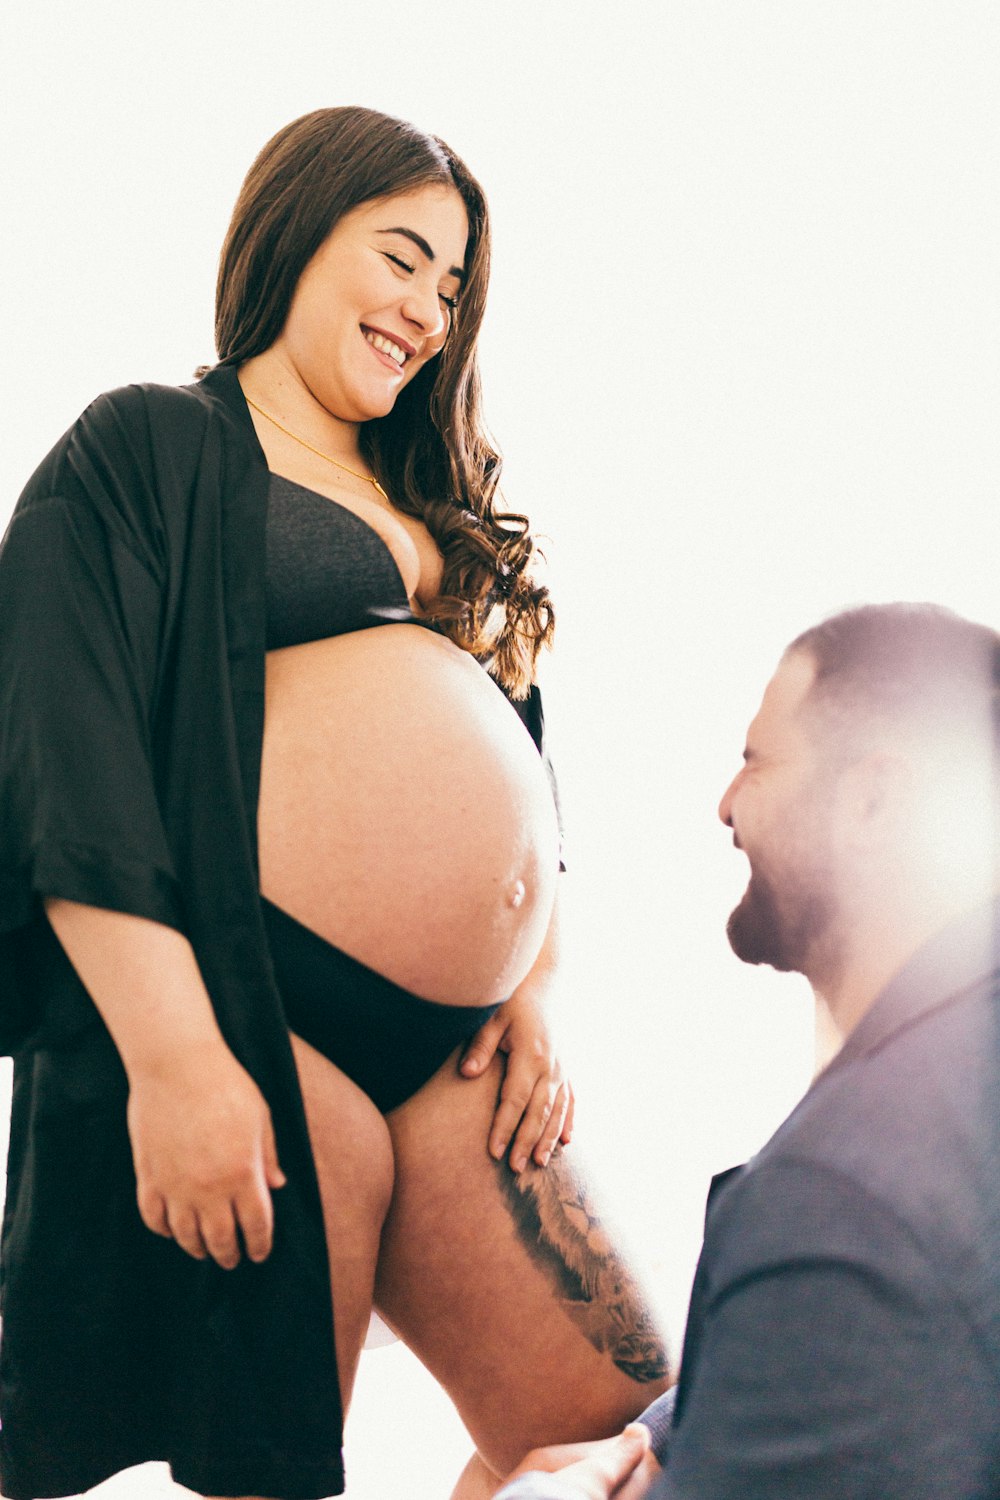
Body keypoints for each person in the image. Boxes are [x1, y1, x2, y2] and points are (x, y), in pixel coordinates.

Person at [0, 107, 670, 1500]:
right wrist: (175, 1056)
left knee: (623, 1417)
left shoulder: (439, 500)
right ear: (297, 232)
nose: (430, 309)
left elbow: (523, 777)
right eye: (404, 258)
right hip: (261, 1014)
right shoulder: (147, 449)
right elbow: (69, 746)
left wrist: (533, 980)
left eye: (455, 287)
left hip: (458, 1056)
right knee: (279, 1468)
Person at [496, 602, 1000, 1499]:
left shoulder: (841, 1197)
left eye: (756, 761)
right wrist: (661, 1440)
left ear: (874, 799)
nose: (725, 805)